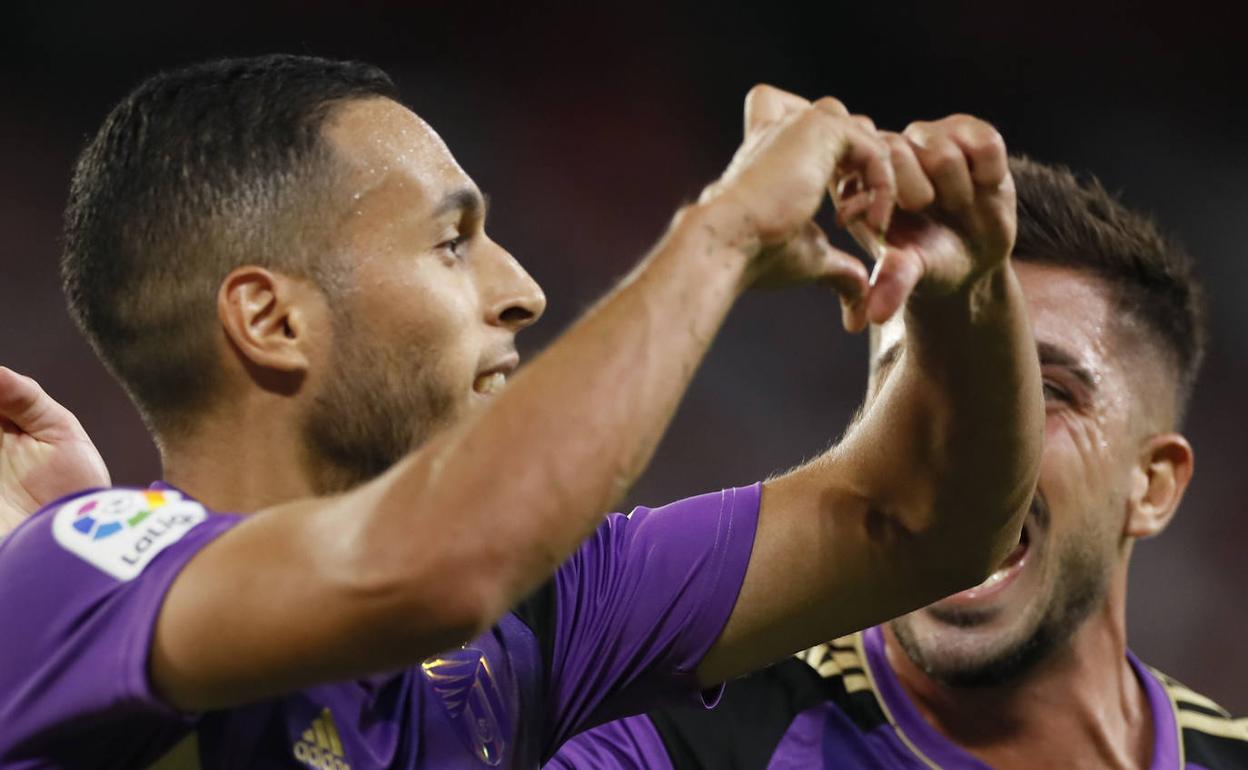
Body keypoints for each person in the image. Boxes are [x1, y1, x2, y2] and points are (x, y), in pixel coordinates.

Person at [0, 56, 1043, 769]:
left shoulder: (533, 622)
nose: (522, 288)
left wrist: (966, 287)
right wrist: (719, 236)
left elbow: (919, 519)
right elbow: (436, 567)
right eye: (453, 241)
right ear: (271, 320)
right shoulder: (76, 574)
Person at [550, 157, 1248, 770]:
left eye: (1043, 393)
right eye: (912, 383)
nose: (967, 440)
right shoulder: (693, 739)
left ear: (1152, 486)